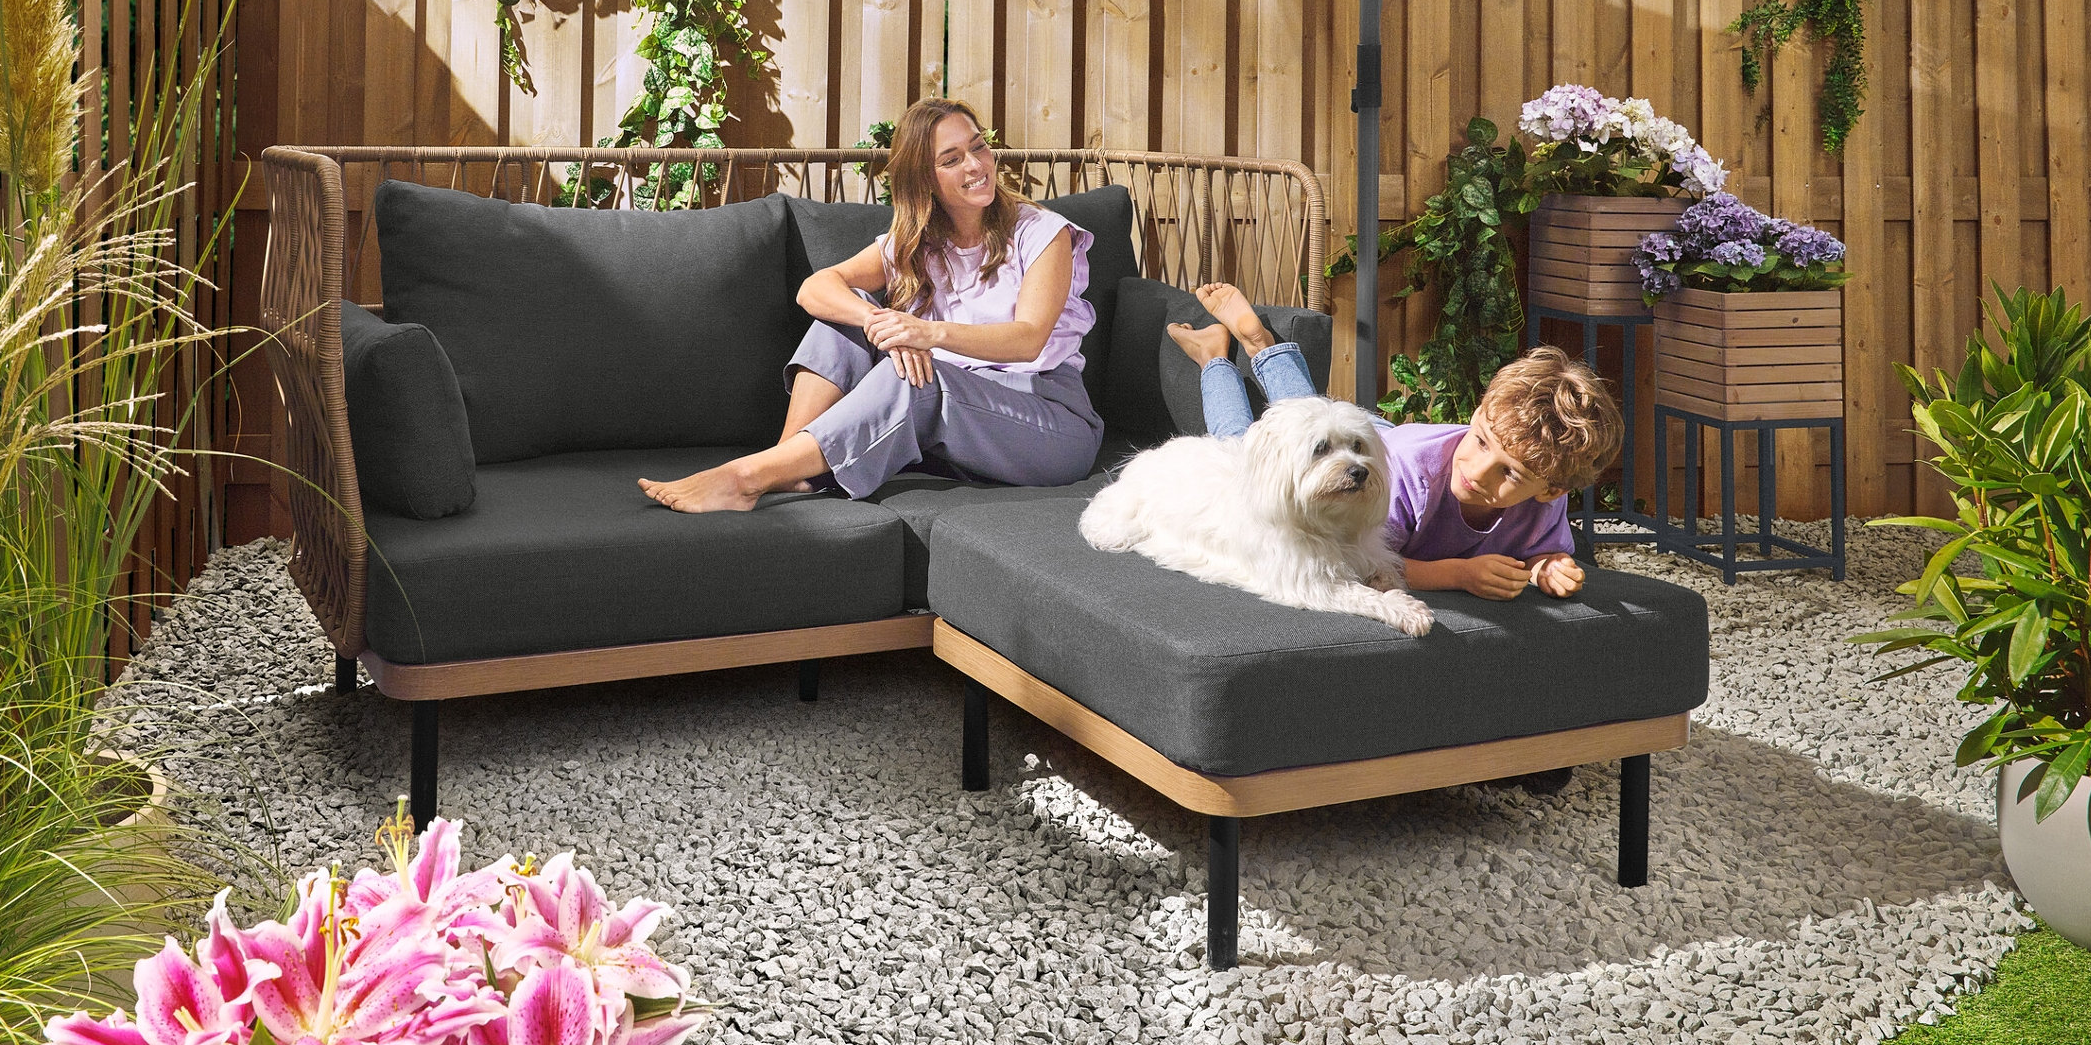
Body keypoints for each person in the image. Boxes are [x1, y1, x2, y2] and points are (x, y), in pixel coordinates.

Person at [637, 97, 1104, 513]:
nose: (976, 165)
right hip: (961, 422)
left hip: (1048, 421)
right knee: (845, 315)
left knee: (916, 378)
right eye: (952, 159)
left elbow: (1029, 339)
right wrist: (877, 320)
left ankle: (747, 477)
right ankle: (788, 466)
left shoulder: (1043, 232)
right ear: (925, 180)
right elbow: (815, 288)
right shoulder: (916, 242)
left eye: (978, 147)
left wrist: (924, 333)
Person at [1169, 296, 1620, 601]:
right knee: (1251, 441)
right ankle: (1223, 355)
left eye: (1510, 475)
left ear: (1550, 491)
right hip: (1388, 452)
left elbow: (1541, 550)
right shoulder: (1408, 481)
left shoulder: (1543, 500)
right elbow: (1364, 563)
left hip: (1381, 439)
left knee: (1317, 415)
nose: (1478, 471)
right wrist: (1460, 576)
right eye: (1480, 439)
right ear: (1477, 411)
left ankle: (1261, 345)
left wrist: (1547, 567)